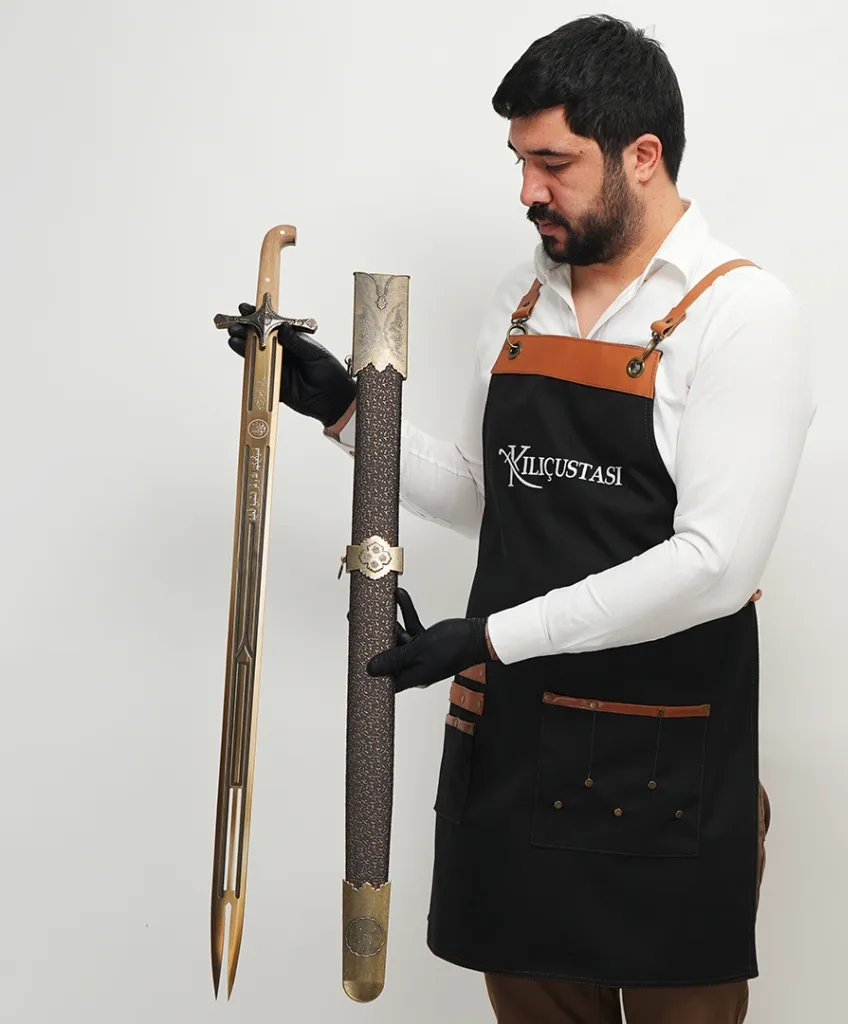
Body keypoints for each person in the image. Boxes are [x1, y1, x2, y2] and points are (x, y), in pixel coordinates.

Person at [226, 15, 813, 1023]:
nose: (529, 191)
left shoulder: (741, 314)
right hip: (516, 745)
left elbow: (714, 565)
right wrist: (347, 413)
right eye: (520, 162)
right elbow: (487, 490)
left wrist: (492, 635)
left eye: (555, 163)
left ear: (642, 155)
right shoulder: (520, 301)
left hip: (665, 763)